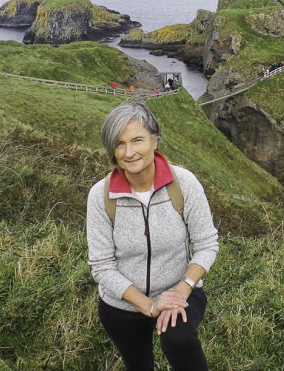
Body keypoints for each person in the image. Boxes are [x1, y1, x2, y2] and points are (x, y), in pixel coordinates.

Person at [86, 101, 219, 370]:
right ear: (112, 150)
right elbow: (102, 266)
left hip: (179, 291)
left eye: (137, 140)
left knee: (180, 342)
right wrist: (148, 305)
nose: (129, 152)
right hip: (122, 305)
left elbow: (207, 244)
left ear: (154, 140)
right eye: (119, 144)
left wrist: (181, 291)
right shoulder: (101, 196)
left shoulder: (184, 183)